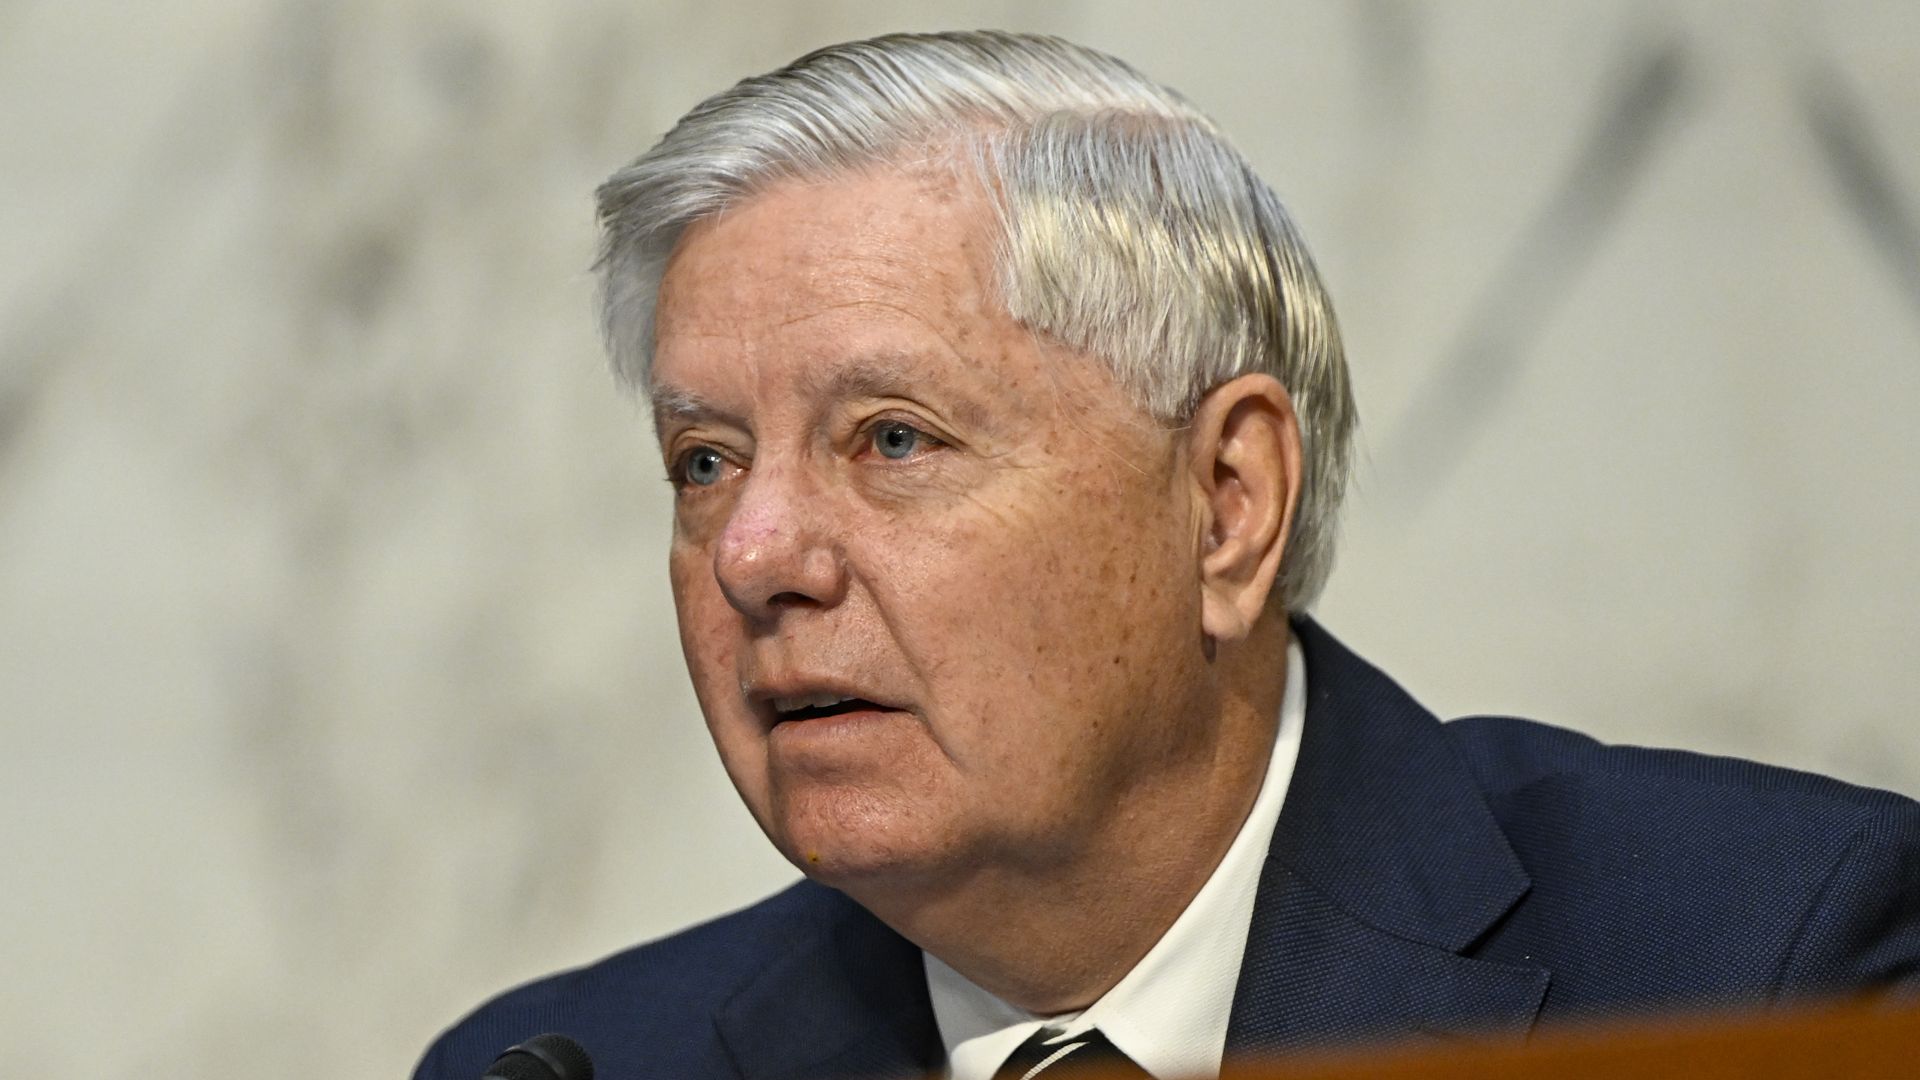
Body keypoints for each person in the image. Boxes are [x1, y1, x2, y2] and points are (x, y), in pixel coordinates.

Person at [414, 31, 1920, 1080]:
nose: (755, 553)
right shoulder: (590, 1063)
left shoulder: (1764, 957)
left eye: (890, 439)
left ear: (1226, 504)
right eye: (704, 461)